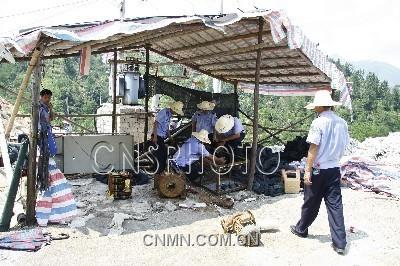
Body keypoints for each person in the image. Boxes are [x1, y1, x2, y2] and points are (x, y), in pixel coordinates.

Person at [290, 90, 349, 255]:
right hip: (334, 168)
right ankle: (340, 243)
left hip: (318, 169)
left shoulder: (318, 122)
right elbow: (344, 145)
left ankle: (301, 228)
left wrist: (307, 170)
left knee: (311, 201)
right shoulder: (342, 123)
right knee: (335, 205)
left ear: (320, 106)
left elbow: (313, 148)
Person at [35, 89, 77, 226]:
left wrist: (51, 109)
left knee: (52, 153)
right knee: (46, 156)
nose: (47, 99)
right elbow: (45, 120)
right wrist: (48, 110)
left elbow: (51, 119)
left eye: (49, 97)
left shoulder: (46, 107)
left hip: (47, 134)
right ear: (41, 97)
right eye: (46, 97)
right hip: (42, 136)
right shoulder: (39, 108)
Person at [151, 101, 184, 173]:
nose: (176, 113)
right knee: (161, 154)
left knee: (162, 153)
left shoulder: (169, 115)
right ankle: (158, 171)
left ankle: (159, 170)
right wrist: (155, 136)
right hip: (158, 136)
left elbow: (166, 128)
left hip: (161, 137)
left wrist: (170, 137)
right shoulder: (163, 112)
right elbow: (155, 123)